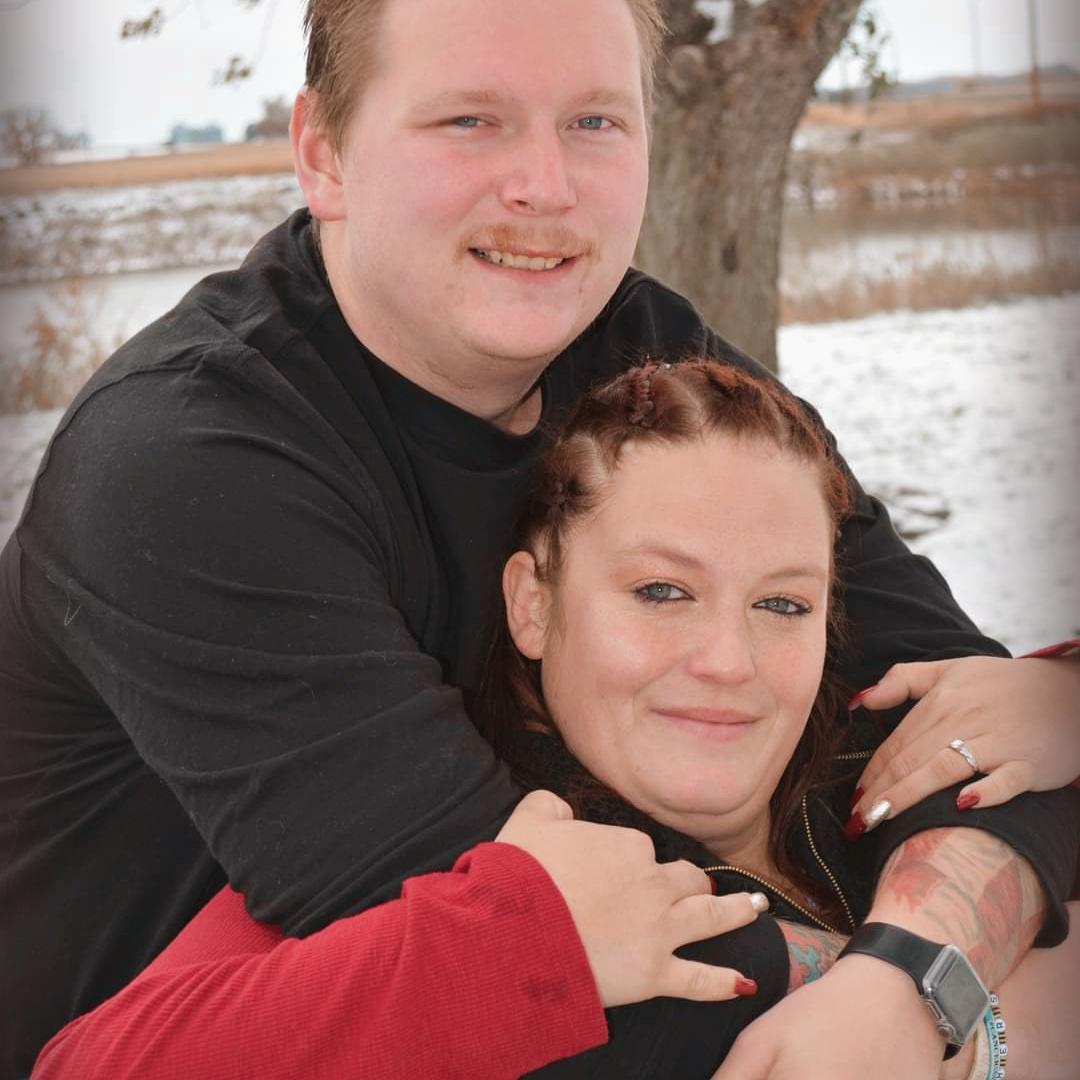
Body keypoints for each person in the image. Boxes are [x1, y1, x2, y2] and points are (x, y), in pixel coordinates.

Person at [2, 0, 1079, 1074]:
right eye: (470, 120)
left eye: (594, 122)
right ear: (324, 152)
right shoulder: (188, 461)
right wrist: (961, 1002)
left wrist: (914, 974)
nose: (546, 187)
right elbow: (543, 955)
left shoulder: (640, 358)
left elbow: (981, 721)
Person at [31, 360, 1080, 1079]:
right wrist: (518, 947)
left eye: (782, 604)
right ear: (532, 603)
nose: (728, 661)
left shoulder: (909, 762)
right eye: (661, 592)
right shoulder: (449, 854)